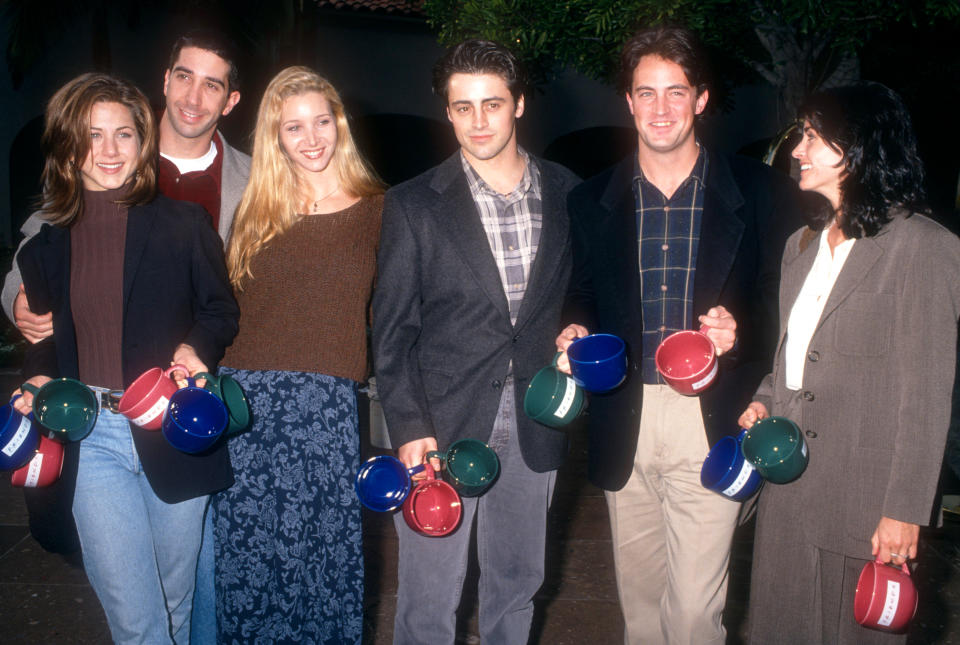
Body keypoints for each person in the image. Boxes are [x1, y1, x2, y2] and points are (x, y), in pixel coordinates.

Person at [0, 29, 251, 642]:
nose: (109, 150)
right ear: (67, 147)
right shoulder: (46, 244)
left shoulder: (183, 224)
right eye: (91, 135)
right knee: (137, 623)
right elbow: (48, 339)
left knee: (176, 599)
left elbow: (221, 310)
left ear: (143, 142)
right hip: (93, 435)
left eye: (124, 134)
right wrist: (36, 379)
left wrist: (196, 347)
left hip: (175, 427)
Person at [554, 26, 802, 645]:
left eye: (676, 92)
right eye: (646, 93)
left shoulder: (762, 192)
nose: (660, 108)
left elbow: (791, 302)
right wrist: (575, 325)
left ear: (701, 100)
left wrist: (742, 331)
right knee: (640, 611)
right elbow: (581, 289)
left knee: (694, 615)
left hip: (711, 416)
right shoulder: (590, 200)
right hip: (625, 416)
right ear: (628, 102)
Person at [372, 39, 579, 644]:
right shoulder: (413, 204)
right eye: (463, 107)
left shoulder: (570, 193)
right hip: (441, 426)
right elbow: (392, 334)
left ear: (519, 105)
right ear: (448, 112)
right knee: (427, 601)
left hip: (536, 420)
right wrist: (409, 428)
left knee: (516, 588)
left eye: (492, 103)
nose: (478, 121)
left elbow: (583, 297)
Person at [737, 82, 960, 644]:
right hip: (787, 493)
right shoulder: (800, 247)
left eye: (812, 136)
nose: (797, 150)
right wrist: (765, 398)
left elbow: (927, 395)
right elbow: (793, 357)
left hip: (866, 508)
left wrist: (904, 511)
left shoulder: (924, 248)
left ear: (858, 146)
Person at [210, 66, 385, 644]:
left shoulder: (379, 211)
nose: (311, 139)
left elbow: (405, 314)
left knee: (323, 567)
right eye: (293, 128)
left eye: (321, 121)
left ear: (340, 122)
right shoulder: (253, 212)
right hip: (246, 411)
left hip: (326, 409)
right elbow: (221, 309)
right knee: (250, 567)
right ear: (275, 137)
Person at [2, 28, 250, 339]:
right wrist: (17, 298)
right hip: (105, 353)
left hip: (204, 363)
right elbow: (42, 229)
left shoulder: (253, 179)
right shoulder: (106, 156)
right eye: (184, 77)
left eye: (211, 86)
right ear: (166, 80)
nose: (193, 98)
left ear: (230, 101)